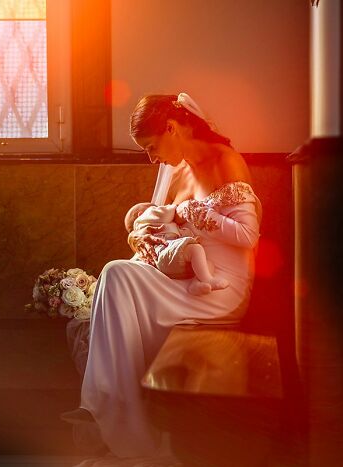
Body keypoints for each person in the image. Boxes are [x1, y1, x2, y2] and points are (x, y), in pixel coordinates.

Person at [64, 92, 262, 461]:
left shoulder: (225, 161)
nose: (151, 158)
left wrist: (192, 213)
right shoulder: (177, 169)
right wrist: (145, 238)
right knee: (119, 274)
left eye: (152, 147)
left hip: (220, 285)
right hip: (183, 275)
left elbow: (248, 236)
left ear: (172, 128)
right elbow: (160, 222)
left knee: (117, 275)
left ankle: (104, 404)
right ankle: (116, 414)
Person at [124, 201, 230, 295]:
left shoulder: (156, 228)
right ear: (141, 214)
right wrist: (175, 207)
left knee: (207, 263)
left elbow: (180, 233)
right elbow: (166, 213)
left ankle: (196, 284)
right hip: (165, 252)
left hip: (169, 263)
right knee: (196, 250)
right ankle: (207, 279)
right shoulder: (146, 218)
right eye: (154, 207)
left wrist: (191, 237)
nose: (158, 207)